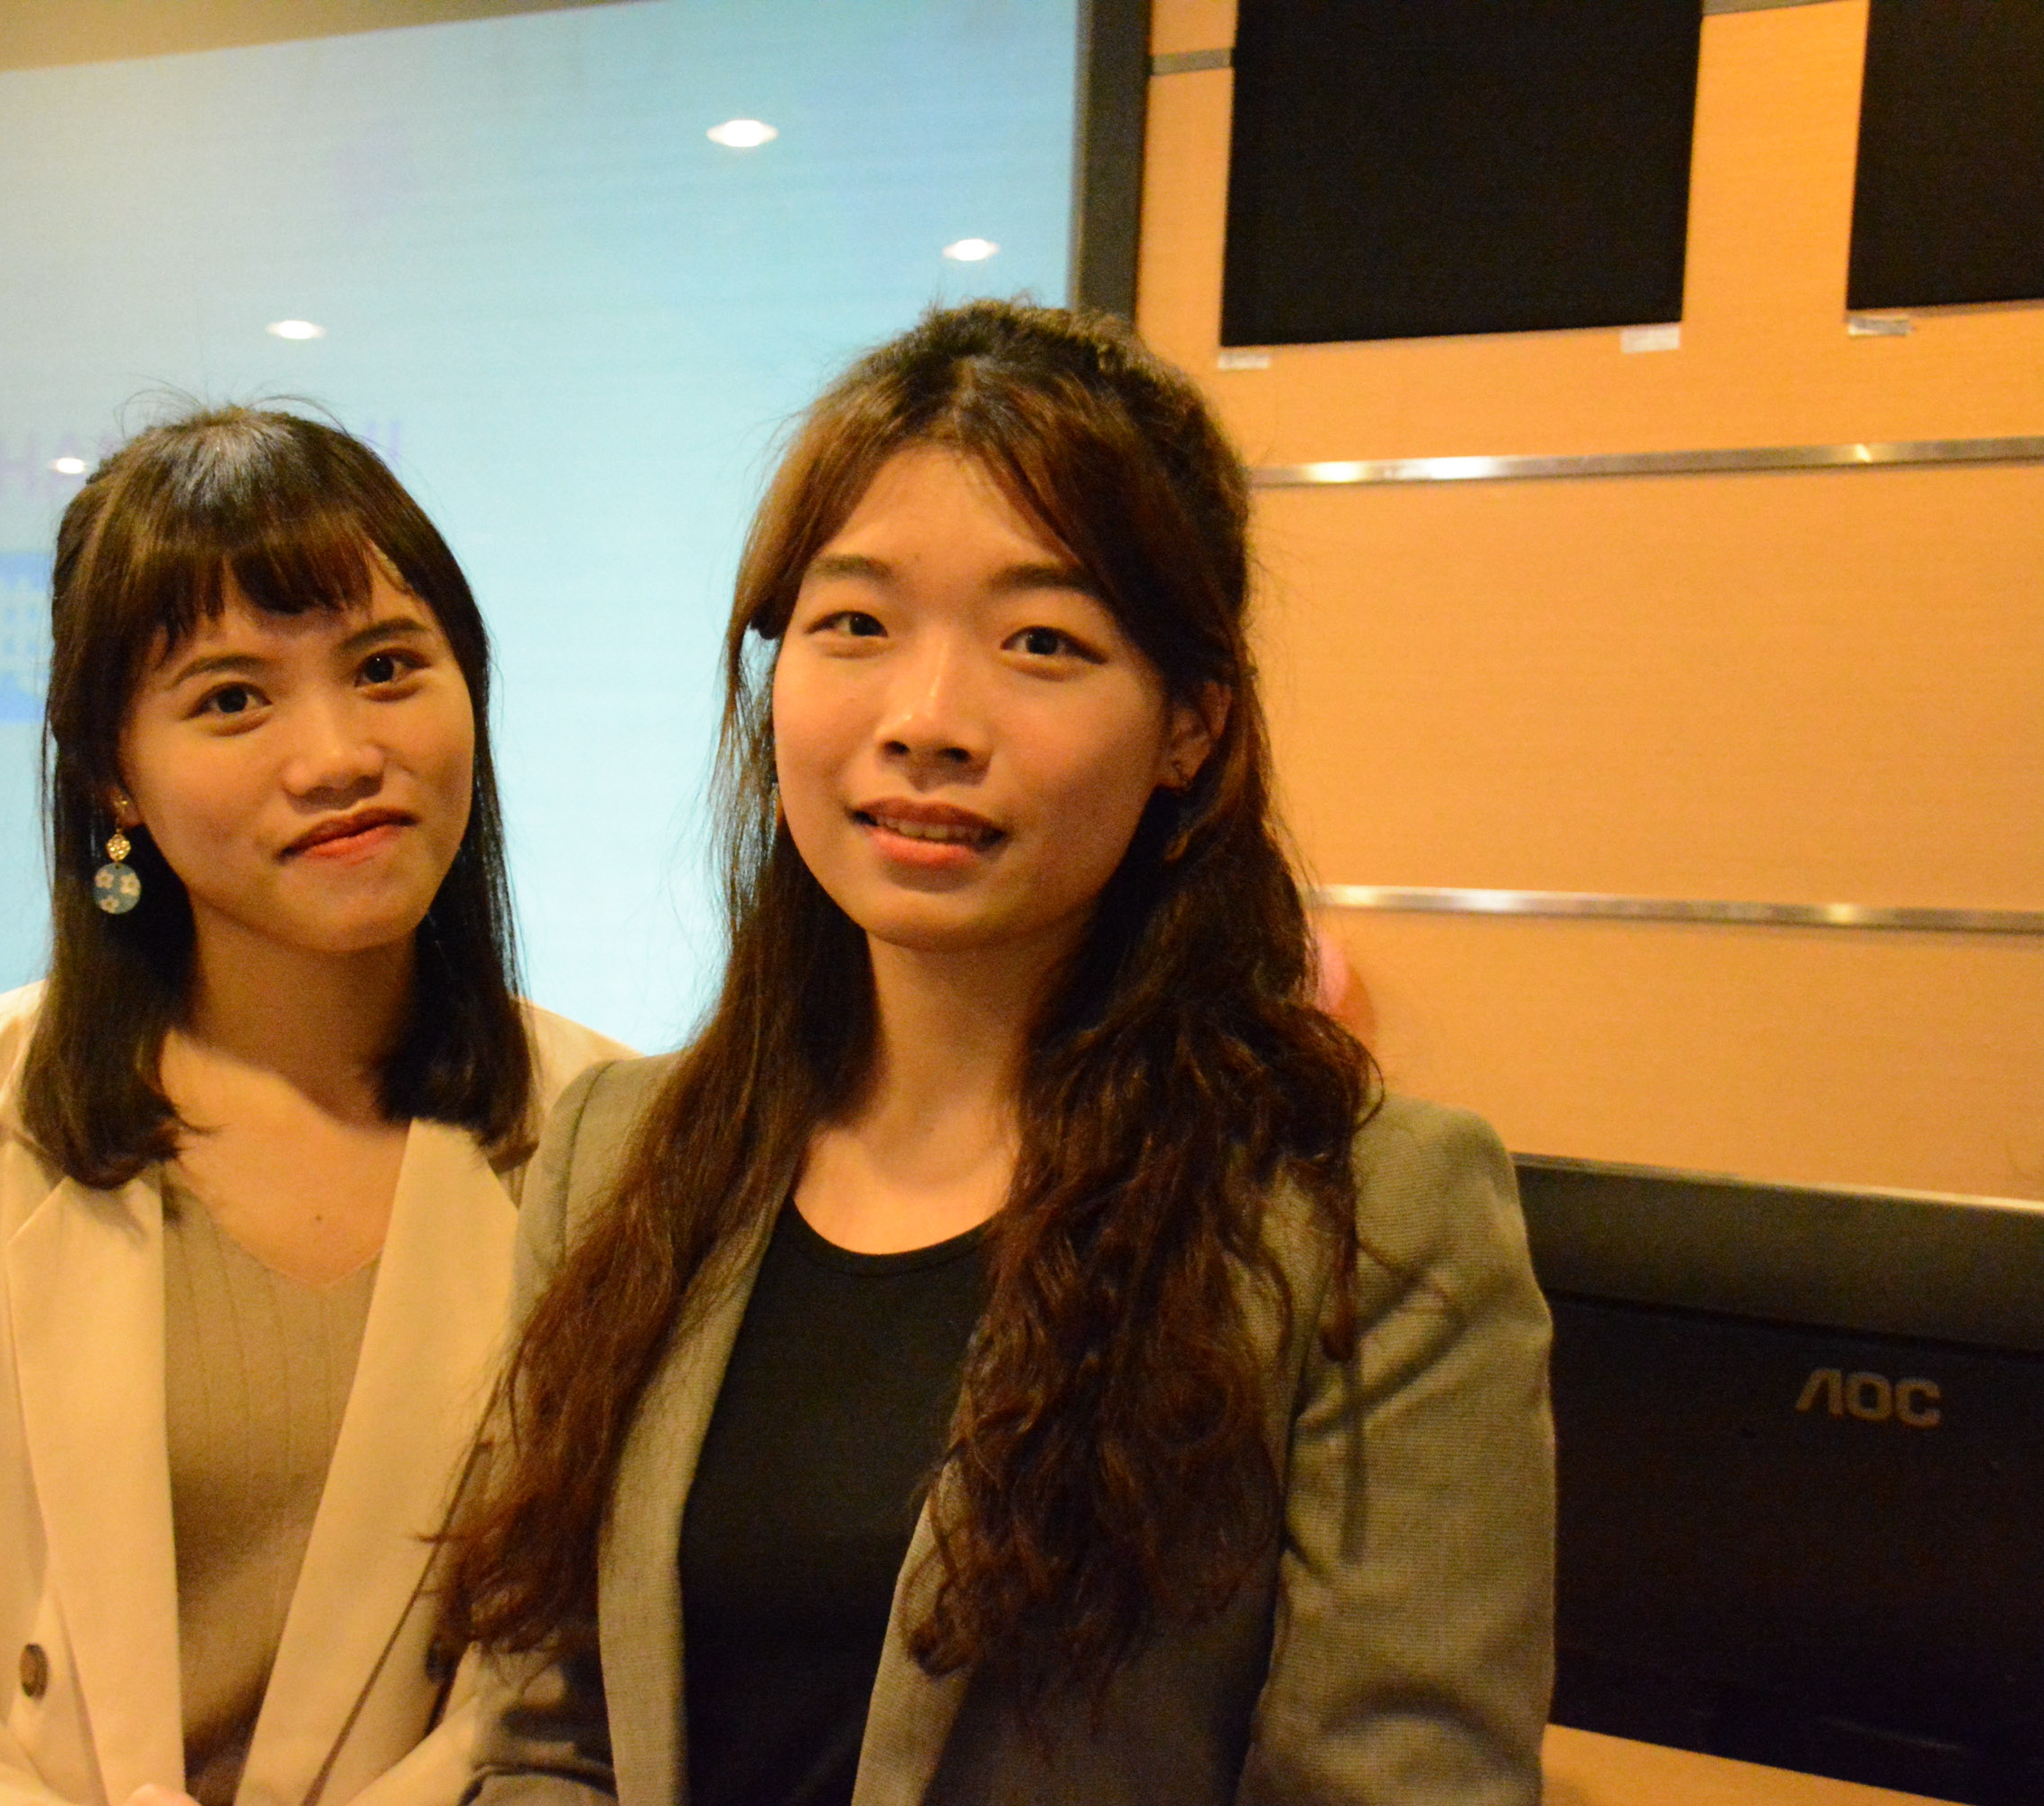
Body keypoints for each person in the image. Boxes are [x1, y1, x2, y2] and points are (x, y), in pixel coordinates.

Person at [436, 302, 1554, 1805]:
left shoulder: (1364, 1212)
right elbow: (543, 1734)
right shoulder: (620, 1153)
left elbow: (1396, 1785)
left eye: (1042, 643)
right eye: (856, 624)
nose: (928, 720)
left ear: (1191, 727)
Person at [0, 405, 623, 1806]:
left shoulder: (620, 1140)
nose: (337, 754)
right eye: (232, 700)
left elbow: (611, 1680)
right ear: (115, 772)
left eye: (386, 668)